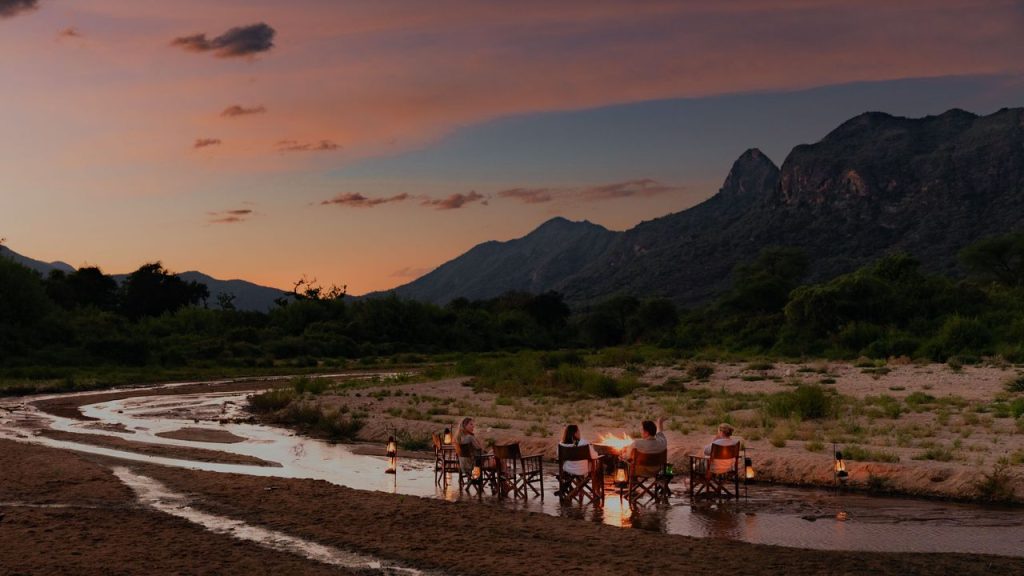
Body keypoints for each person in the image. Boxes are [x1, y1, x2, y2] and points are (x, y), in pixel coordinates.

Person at [555, 424, 599, 496]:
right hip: (583, 469)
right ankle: (595, 492)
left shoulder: (561, 444)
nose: (579, 433)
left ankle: (572, 492)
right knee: (597, 463)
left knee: (573, 466)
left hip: (568, 470)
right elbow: (594, 456)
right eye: (578, 431)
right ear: (575, 433)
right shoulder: (584, 443)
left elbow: (558, 456)